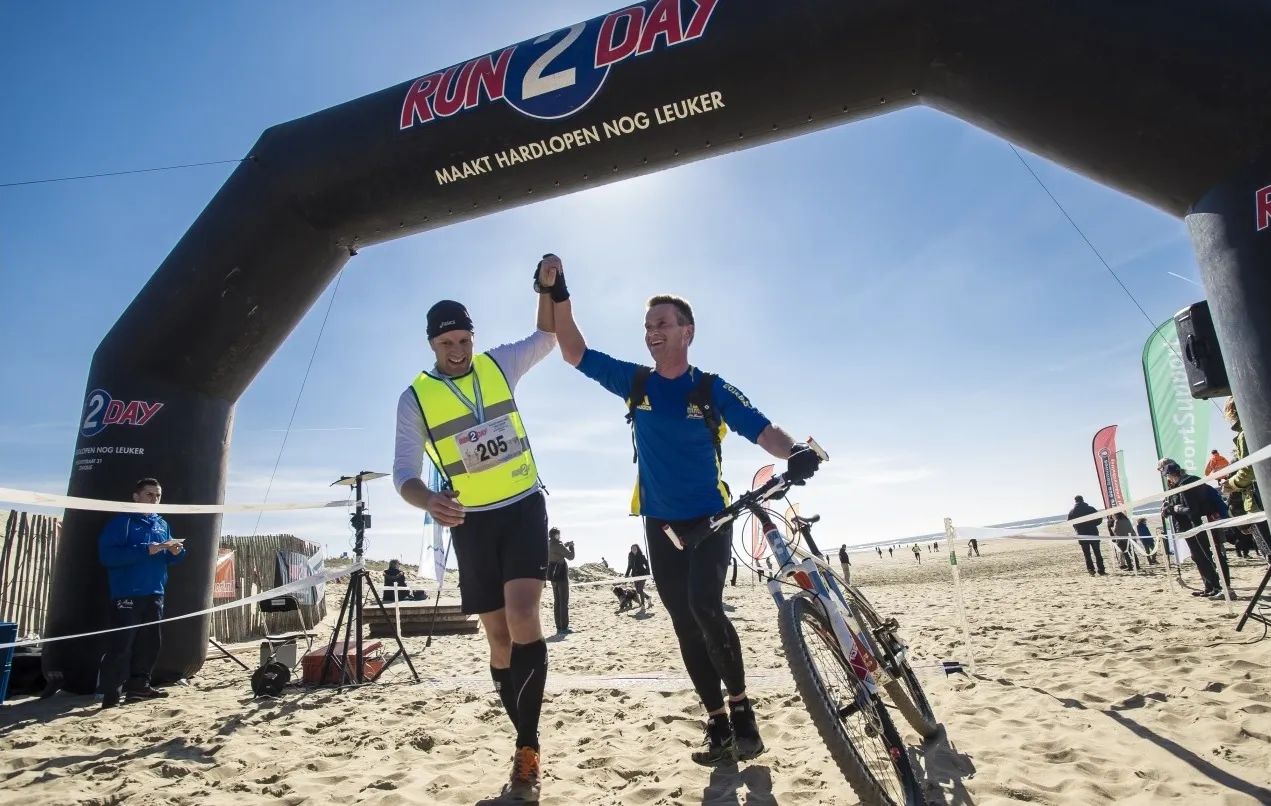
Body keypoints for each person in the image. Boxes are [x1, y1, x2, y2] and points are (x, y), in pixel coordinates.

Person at [545, 255, 821, 765]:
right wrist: (560, 292)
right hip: (660, 525)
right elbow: (573, 351)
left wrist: (793, 453)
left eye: (662, 324)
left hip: (711, 517)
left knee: (704, 605)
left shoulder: (709, 387)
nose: (652, 332)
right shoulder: (636, 383)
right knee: (683, 622)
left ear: (687, 331)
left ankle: (744, 715)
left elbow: (761, 427)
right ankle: (717, 723)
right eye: (648, 326)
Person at [393, 289, 557, 801]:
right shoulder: (415, 398)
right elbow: (404, 473)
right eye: (446, 342)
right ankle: (523, 735)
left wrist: (548, 290)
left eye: (463, 339)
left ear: (473, 336)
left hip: (524, 507)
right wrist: (429, 503)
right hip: (471, 523)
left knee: (524, 614)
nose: (457, 350)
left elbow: (547, 337)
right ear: (431, 344)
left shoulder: (498, 365)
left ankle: (527, 748)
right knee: (500, 640)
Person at [96, 477, 186, 709]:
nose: (154, 499)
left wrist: (176, 552)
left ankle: (138, 687)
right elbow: (108, 556)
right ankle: (110, 695)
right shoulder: (122, 522)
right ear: (136, 497)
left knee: (149, 642)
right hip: (127, 592)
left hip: (155, 591)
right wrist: (144, 549)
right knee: (121, 644)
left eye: (157, 495)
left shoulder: (161, 524)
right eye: (149, 494)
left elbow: (164, 557)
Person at [1160, 458, 1231, 598]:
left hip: (1201, 525)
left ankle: (1224, 588)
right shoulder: (1176, 486)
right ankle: (1210, 587)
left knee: (1211, 555)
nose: (1166, 478)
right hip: (1189, 527)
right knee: (1198, 557)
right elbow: (1176, 504)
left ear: (1171, 473)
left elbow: (1192, 509)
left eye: (1166, 474)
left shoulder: (1189, 483)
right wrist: (1167, 509)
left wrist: (1174, 508)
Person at [1220, 398, 1271, 559]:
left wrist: (1231, 484)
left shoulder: (1246, 433)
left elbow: (1250, 471)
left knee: (1268, 552)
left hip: (1259, 501)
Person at [1069, 495, 1106, 576]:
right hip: (1093, 532)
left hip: (1081, 534)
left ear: (1075, 501)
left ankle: (1091, 569)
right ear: (1083, 500)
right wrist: (1094, 524)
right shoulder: (1090, 508)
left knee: (1087, 554)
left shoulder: (1072, 511)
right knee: (1097, 552)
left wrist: (1077, 528)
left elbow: (1070, 522)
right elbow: (1099, 518)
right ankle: (1101, 570)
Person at [547, 528, 574, 634]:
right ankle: (564, 627)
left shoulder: (549, 544)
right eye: (559, 534)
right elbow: (571, 556)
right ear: (556, 535)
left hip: (553, 576)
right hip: (561, 575)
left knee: (557, 602)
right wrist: (571, 547)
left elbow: (558, 549)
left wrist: (565, 544)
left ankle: (559, 627)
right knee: (564, 601)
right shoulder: (558, 545)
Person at [625, 543, 653, 612]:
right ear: (631, 550)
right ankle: (648, 597)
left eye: (635, 548)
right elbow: (629, 566)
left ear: (637, 549)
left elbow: (647, 565)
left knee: (640, 589)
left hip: (642, 574)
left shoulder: (641, 556)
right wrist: (626, 575)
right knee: (638, 591)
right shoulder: (630, 557)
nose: (633, 549)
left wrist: (648, 573)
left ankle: (642, 605)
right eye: (632, 548)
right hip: (635, 576)